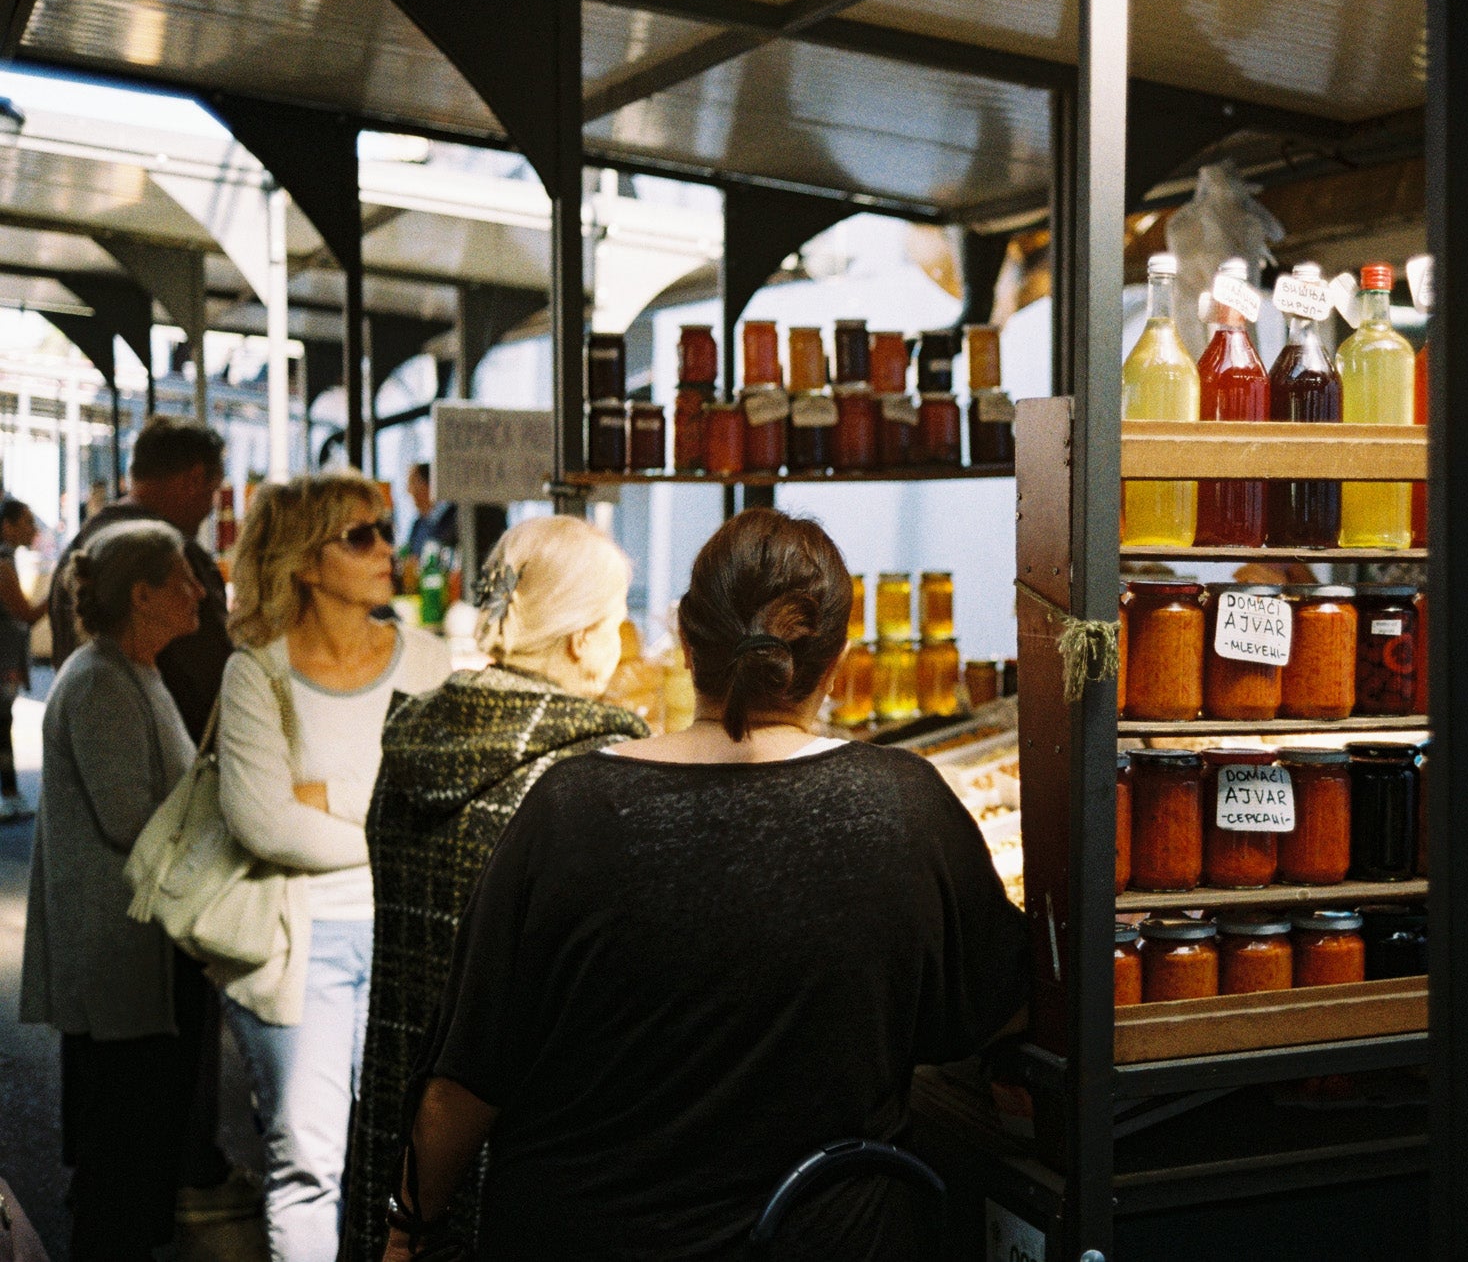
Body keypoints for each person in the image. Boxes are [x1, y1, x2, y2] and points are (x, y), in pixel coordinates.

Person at [385, 510, 1028, 1260]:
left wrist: (408, 1229)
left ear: (687, 646)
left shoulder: (571, 807)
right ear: (839, 661)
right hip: (822, 1238)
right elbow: (1003, 1005)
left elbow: (461, 1084)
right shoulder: (907, 808)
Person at [340, 517, 650, 1261]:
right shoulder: (596, 770)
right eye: (617, 623)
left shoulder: (415, 737)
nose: (622, 641)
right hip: (535, 1151)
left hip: (397, 1126)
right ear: (581, 640)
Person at [219, 473, 452, 1261]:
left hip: (410, 939)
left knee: (408, 1160)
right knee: (309, 1164)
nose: (388, 548)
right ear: (305, 561)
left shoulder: (431, 662)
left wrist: (330, 796)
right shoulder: (258, 672)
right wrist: (389, 821)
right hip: (302, 939)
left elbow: (442, 801)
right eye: (360, 535)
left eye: (383, 530)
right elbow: (262, 822)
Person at [18, 519, 206, 1259]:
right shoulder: (100, 679)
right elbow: (135, 817)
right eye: (185, 576)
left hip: (141, 954)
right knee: (120, 1158)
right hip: (117, 959)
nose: (198, 589)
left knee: (135, 1148)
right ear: (144, 593)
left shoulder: (139, 670)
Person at [50, 415, 230, 743]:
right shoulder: (174, 556)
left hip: (85, 740)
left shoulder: (80, 547)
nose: (210, 508)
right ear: (194, 479)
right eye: (213, 491)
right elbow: (218, 679)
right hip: (166, 762)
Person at [0, 497, 49, 813]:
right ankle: (9, 794)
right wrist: (57, 592)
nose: (33, 528)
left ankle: (10, 793)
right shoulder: (3, 563)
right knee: (2, 723)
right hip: (3, 659)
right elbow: (25, 613)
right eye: (27, 521)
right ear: (8, 525)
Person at [402, 463, 457, 556]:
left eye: (412, 483)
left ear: (428, 485)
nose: (408, 490)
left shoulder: (455, 519)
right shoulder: (418, 524)